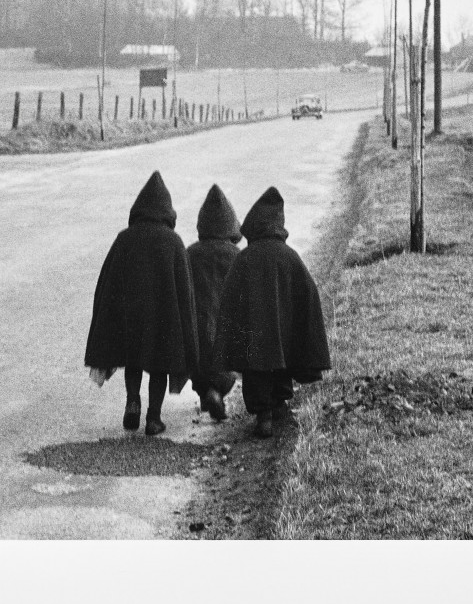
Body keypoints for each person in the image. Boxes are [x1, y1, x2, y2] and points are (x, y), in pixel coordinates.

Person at [84, 170, 198, 436]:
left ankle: (132, 402)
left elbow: (106, 284)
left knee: (133, 360)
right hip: (162, 317)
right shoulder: (174, 242)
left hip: (130, 316)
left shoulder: (124, 239)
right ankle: (153, 418)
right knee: (159, 365)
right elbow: (185, 290)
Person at [213, 186, 331, 438]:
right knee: (282, 359)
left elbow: (229, 297)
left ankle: (263, 415)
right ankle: (279, 404)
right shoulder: (290, 257)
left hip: (254, 336)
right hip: (281, 337)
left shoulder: (244, 258)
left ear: (253, 225)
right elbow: (308, 292)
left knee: (256, 368)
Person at [186, 184, 242, 422]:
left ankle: (205, 393)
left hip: (197, 321)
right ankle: (216, 392)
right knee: (226, 365)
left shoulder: (191, 253)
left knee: (199, 363)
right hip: (225, 321)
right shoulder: (235, 254)